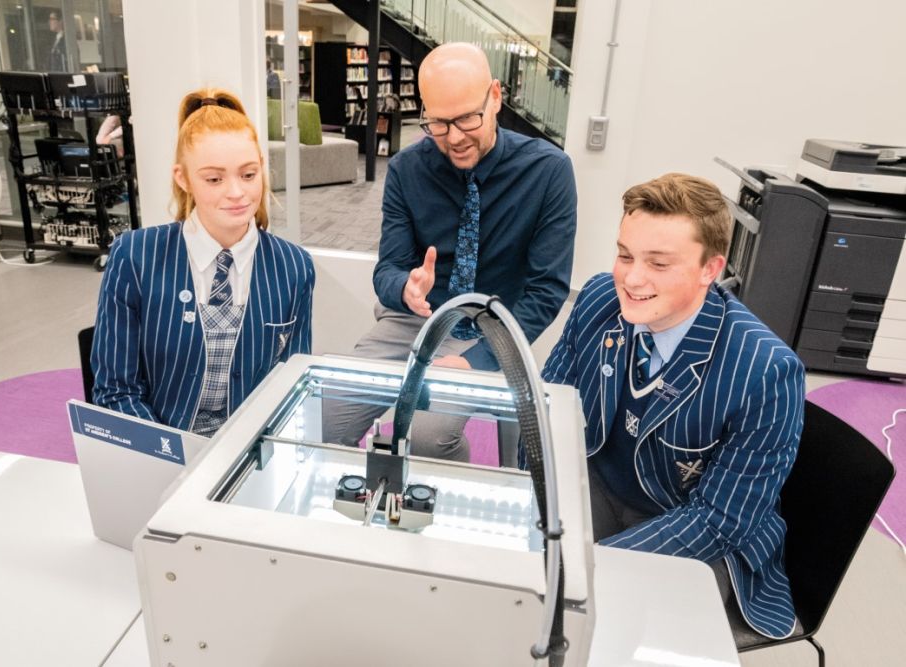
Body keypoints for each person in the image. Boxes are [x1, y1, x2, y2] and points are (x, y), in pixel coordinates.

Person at [541, 173, 804, 640]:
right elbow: (546, 412)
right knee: (529, 591)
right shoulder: (599, 298)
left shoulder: (765, 371)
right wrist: (535, 499)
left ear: (711, 269)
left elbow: (721, 521)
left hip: (695, 527)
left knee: (612, 630)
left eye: (658, 264)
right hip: (598, 488)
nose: (632, 278)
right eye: (625, 255)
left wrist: (599, 565)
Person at [322, 42, 577, 461]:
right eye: (438, 123)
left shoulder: (549, 172)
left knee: (429, 436)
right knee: (331, 413)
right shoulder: (406, 169)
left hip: (492, 329)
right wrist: (405, 287)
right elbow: (387, 270)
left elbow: (546, 292)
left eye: (467, 118)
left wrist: (477, 359)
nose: (455, 137)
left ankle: (443, 505)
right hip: (413, 321)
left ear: (495, 96)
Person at [91, 88, 315, 436]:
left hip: (249, 452)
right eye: (214, 179)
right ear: (183, 178)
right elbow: (115, 391)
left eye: (248, 174)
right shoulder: (135, 257)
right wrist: (168, 456)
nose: (237, 193)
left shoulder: (294, 267)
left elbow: (292, 389)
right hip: (159, 451)